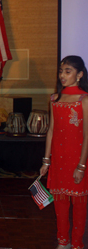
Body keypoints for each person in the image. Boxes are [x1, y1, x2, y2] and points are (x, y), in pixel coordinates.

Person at [40, 55, 88, 249]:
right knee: (60, 202)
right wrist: (46, 161)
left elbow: (87, 135)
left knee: (79, 205)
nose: (62, 75)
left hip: (77, 160)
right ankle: (63, 241)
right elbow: (51, 131)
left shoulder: (84, 99)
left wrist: (82, 166)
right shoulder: (54, 99)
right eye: (61, 71)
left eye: (67, 71)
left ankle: (76, 243)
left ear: (79, 75)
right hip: (58, 160)